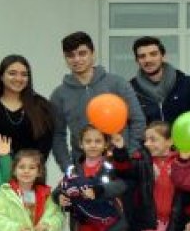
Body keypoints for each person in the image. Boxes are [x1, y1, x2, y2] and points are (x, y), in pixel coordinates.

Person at [50, 31, 146, 172]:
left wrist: (128, 154)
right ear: (65, 59)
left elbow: (138, 120)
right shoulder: (59, 94)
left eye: (82, 53)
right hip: (83, 169)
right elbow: (57, 135)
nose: (76, 59)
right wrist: (67, 167)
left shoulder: (117, 83)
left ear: (93, 54)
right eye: (70, 55)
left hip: (120, 166)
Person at [0, 54, 55, 164]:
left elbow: (45, 146)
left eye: (24, 74)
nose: (18, 79)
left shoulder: (41, 105)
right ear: (1, 76)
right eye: (12, 73)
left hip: (32, 175)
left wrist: (30, 170)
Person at [129, 36, 190, 125]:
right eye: (142, 56)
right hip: (147, 139)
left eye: (153, 54)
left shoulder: (187, 84)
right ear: (137, 61)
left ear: (163, 56)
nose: (148, 60)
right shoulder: (130, 90)